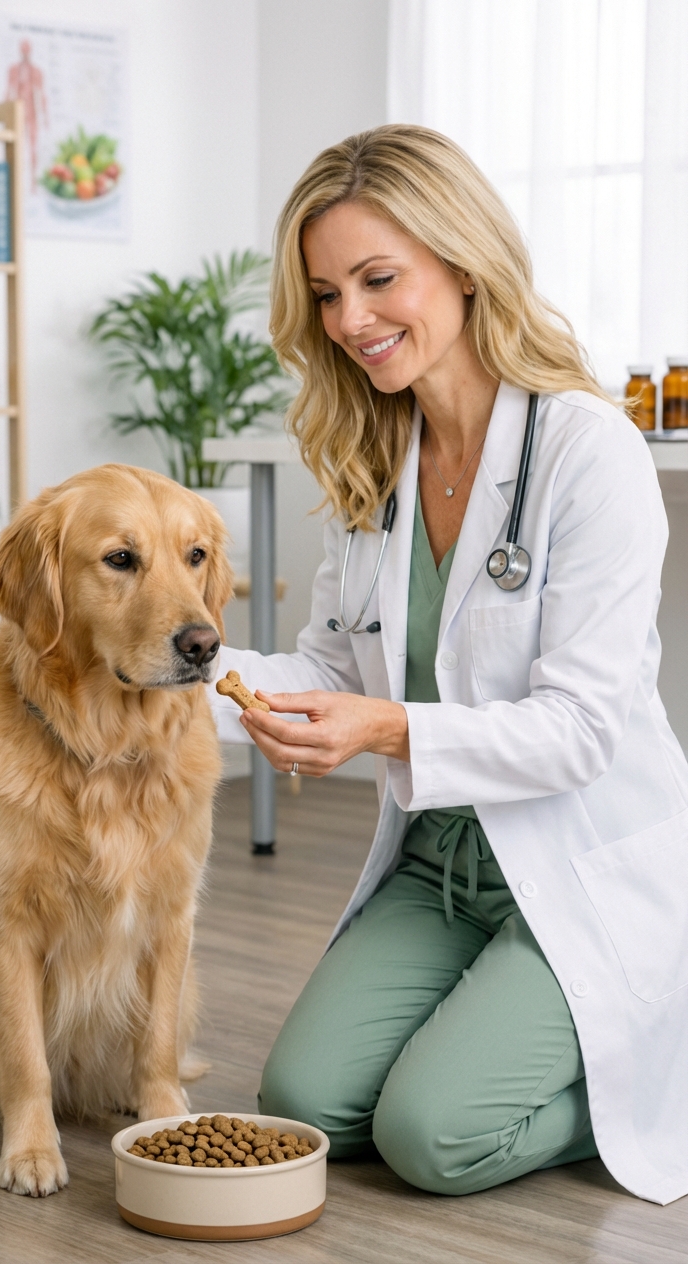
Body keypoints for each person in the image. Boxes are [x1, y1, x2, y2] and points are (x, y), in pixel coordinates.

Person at [209, 125, 688, 1206]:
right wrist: (168, 670)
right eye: (327, 294)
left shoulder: (584, 448)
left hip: (573, 865)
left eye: (378, 280)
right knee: (303, 1105)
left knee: (431, 1138)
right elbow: (327, 666)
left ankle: (649, 1071)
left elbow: (578, 729)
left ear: (462, 265)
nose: (350, 322)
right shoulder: (374, 459)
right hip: (440, 868)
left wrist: (383, 729)